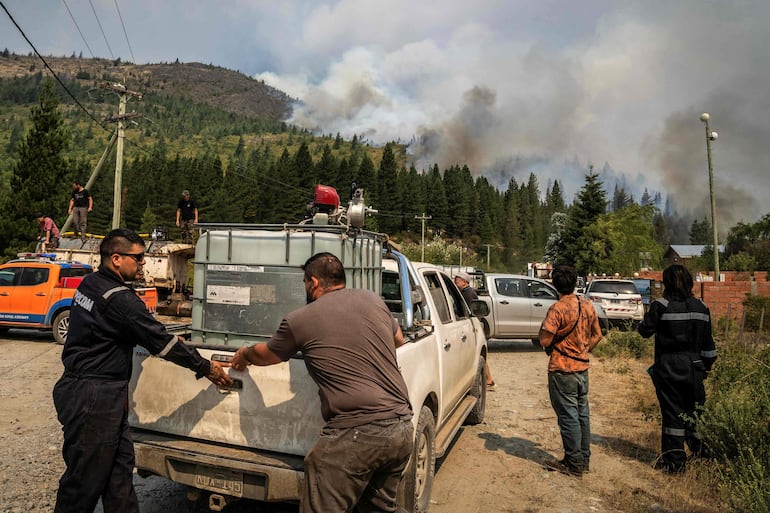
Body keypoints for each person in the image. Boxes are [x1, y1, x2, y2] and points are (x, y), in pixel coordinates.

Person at [52, 228, 232, 513]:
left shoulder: (91, 284)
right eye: (138, 257)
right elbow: (162, 342)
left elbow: (110, 330)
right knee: (82, 483)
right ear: (116, 259)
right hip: (94, 399)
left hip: (96, 393)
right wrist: (206, 367)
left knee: (119, 478)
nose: (143, 262)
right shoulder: (120, 299)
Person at [229, 252, 414, 513]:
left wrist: (245, 354)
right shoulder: (373, 300)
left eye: (305, 282)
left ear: (314, 282)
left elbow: (267, 355)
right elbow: (399, 339)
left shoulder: (300, 319)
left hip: (357, 433)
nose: (305, 287)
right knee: (379, 508)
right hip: (401, 428)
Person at [638, 264, 717, 474]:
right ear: (690, 282)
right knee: (694, 414)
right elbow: (709, 348)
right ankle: (703, 456)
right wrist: (704, 369)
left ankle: (674, 464)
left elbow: (644, 331)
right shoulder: (702, 307)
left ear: (666, 283)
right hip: (695, 368)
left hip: (669, 368)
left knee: (673, 415)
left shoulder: (661, 306)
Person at [539, 265, 603, 476]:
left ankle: (573, 463)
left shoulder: (557, 309)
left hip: (562, 369)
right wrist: (583, 350)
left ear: (555, 284)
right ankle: (583, 459)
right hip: (582, 369)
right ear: (575, 283)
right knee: (582, 415)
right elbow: (598, 335)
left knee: (568, 417)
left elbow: (545, 340)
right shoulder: (587, 305)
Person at [454, 271, 496, 390]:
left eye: (457, 280)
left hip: (471, 326)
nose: (455, 282)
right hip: (471, 326)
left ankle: (488, 380)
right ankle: (489, 380)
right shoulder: (465, 292)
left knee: (478, 355)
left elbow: (468, 311)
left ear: (464, 282)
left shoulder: (468, 294)